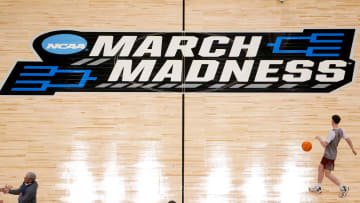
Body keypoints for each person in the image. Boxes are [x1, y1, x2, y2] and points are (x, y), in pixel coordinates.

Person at [309, 115, 357, 198]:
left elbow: (324, 145)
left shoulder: (332, 132)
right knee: (320, 167)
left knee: (327, 174)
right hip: (332, 154)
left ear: (332, 121)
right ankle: (318, 186)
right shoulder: (341, 130)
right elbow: (348, 140)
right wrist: (353, 149)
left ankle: (343, 187)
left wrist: (319, 138)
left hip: (328, 155)